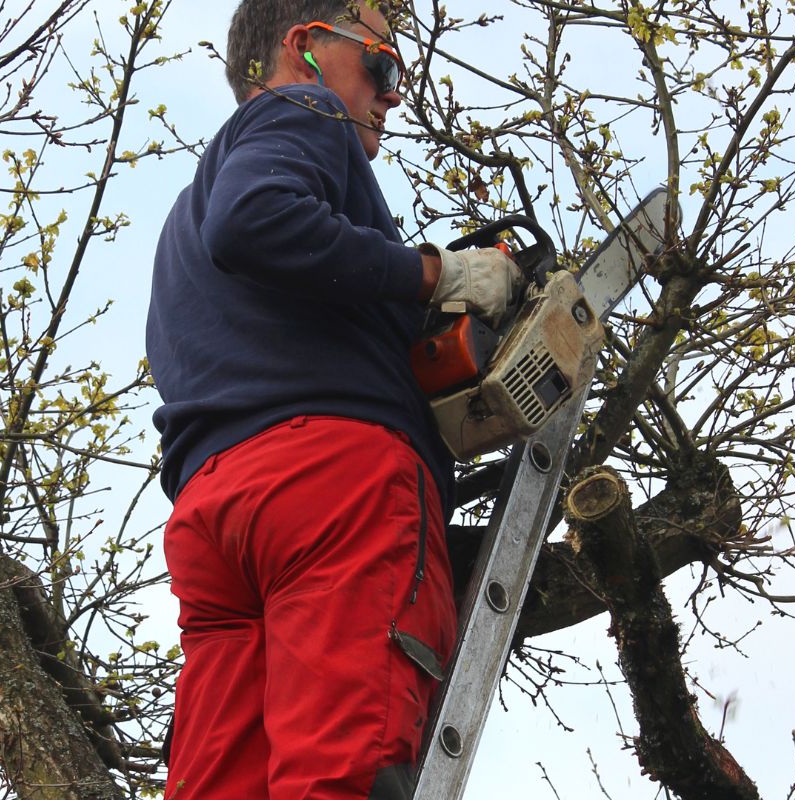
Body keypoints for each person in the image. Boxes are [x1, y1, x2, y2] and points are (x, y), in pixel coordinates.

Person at [145, 2, 520, 797]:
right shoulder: (303, 107)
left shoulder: (186, 214)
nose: (391, 94)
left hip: (217, 520)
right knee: (341, 775)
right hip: (331, 491)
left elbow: (265, 243)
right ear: (305, 49)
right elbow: (259, 221)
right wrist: (436, 274)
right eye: (382, 65)